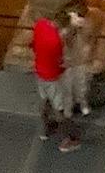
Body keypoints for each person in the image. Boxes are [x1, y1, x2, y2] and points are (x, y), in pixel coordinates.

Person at [31, 14, 78, 151]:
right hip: (52, 77)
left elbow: (34, 45)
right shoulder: (56, 41)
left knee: (44, 100)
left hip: (39, 72)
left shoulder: (40, 24)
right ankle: (66, 141)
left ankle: (45, 130)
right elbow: (59, 62)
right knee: (59, 108)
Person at [63, 5, 93, 118]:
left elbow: (88, 37)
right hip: (68, 64)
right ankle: (68, 109)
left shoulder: (83, 28)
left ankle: (83, 105)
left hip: (79, 63)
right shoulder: (65, 32)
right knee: (67, 88)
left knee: (82, 87)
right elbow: (66, 40)